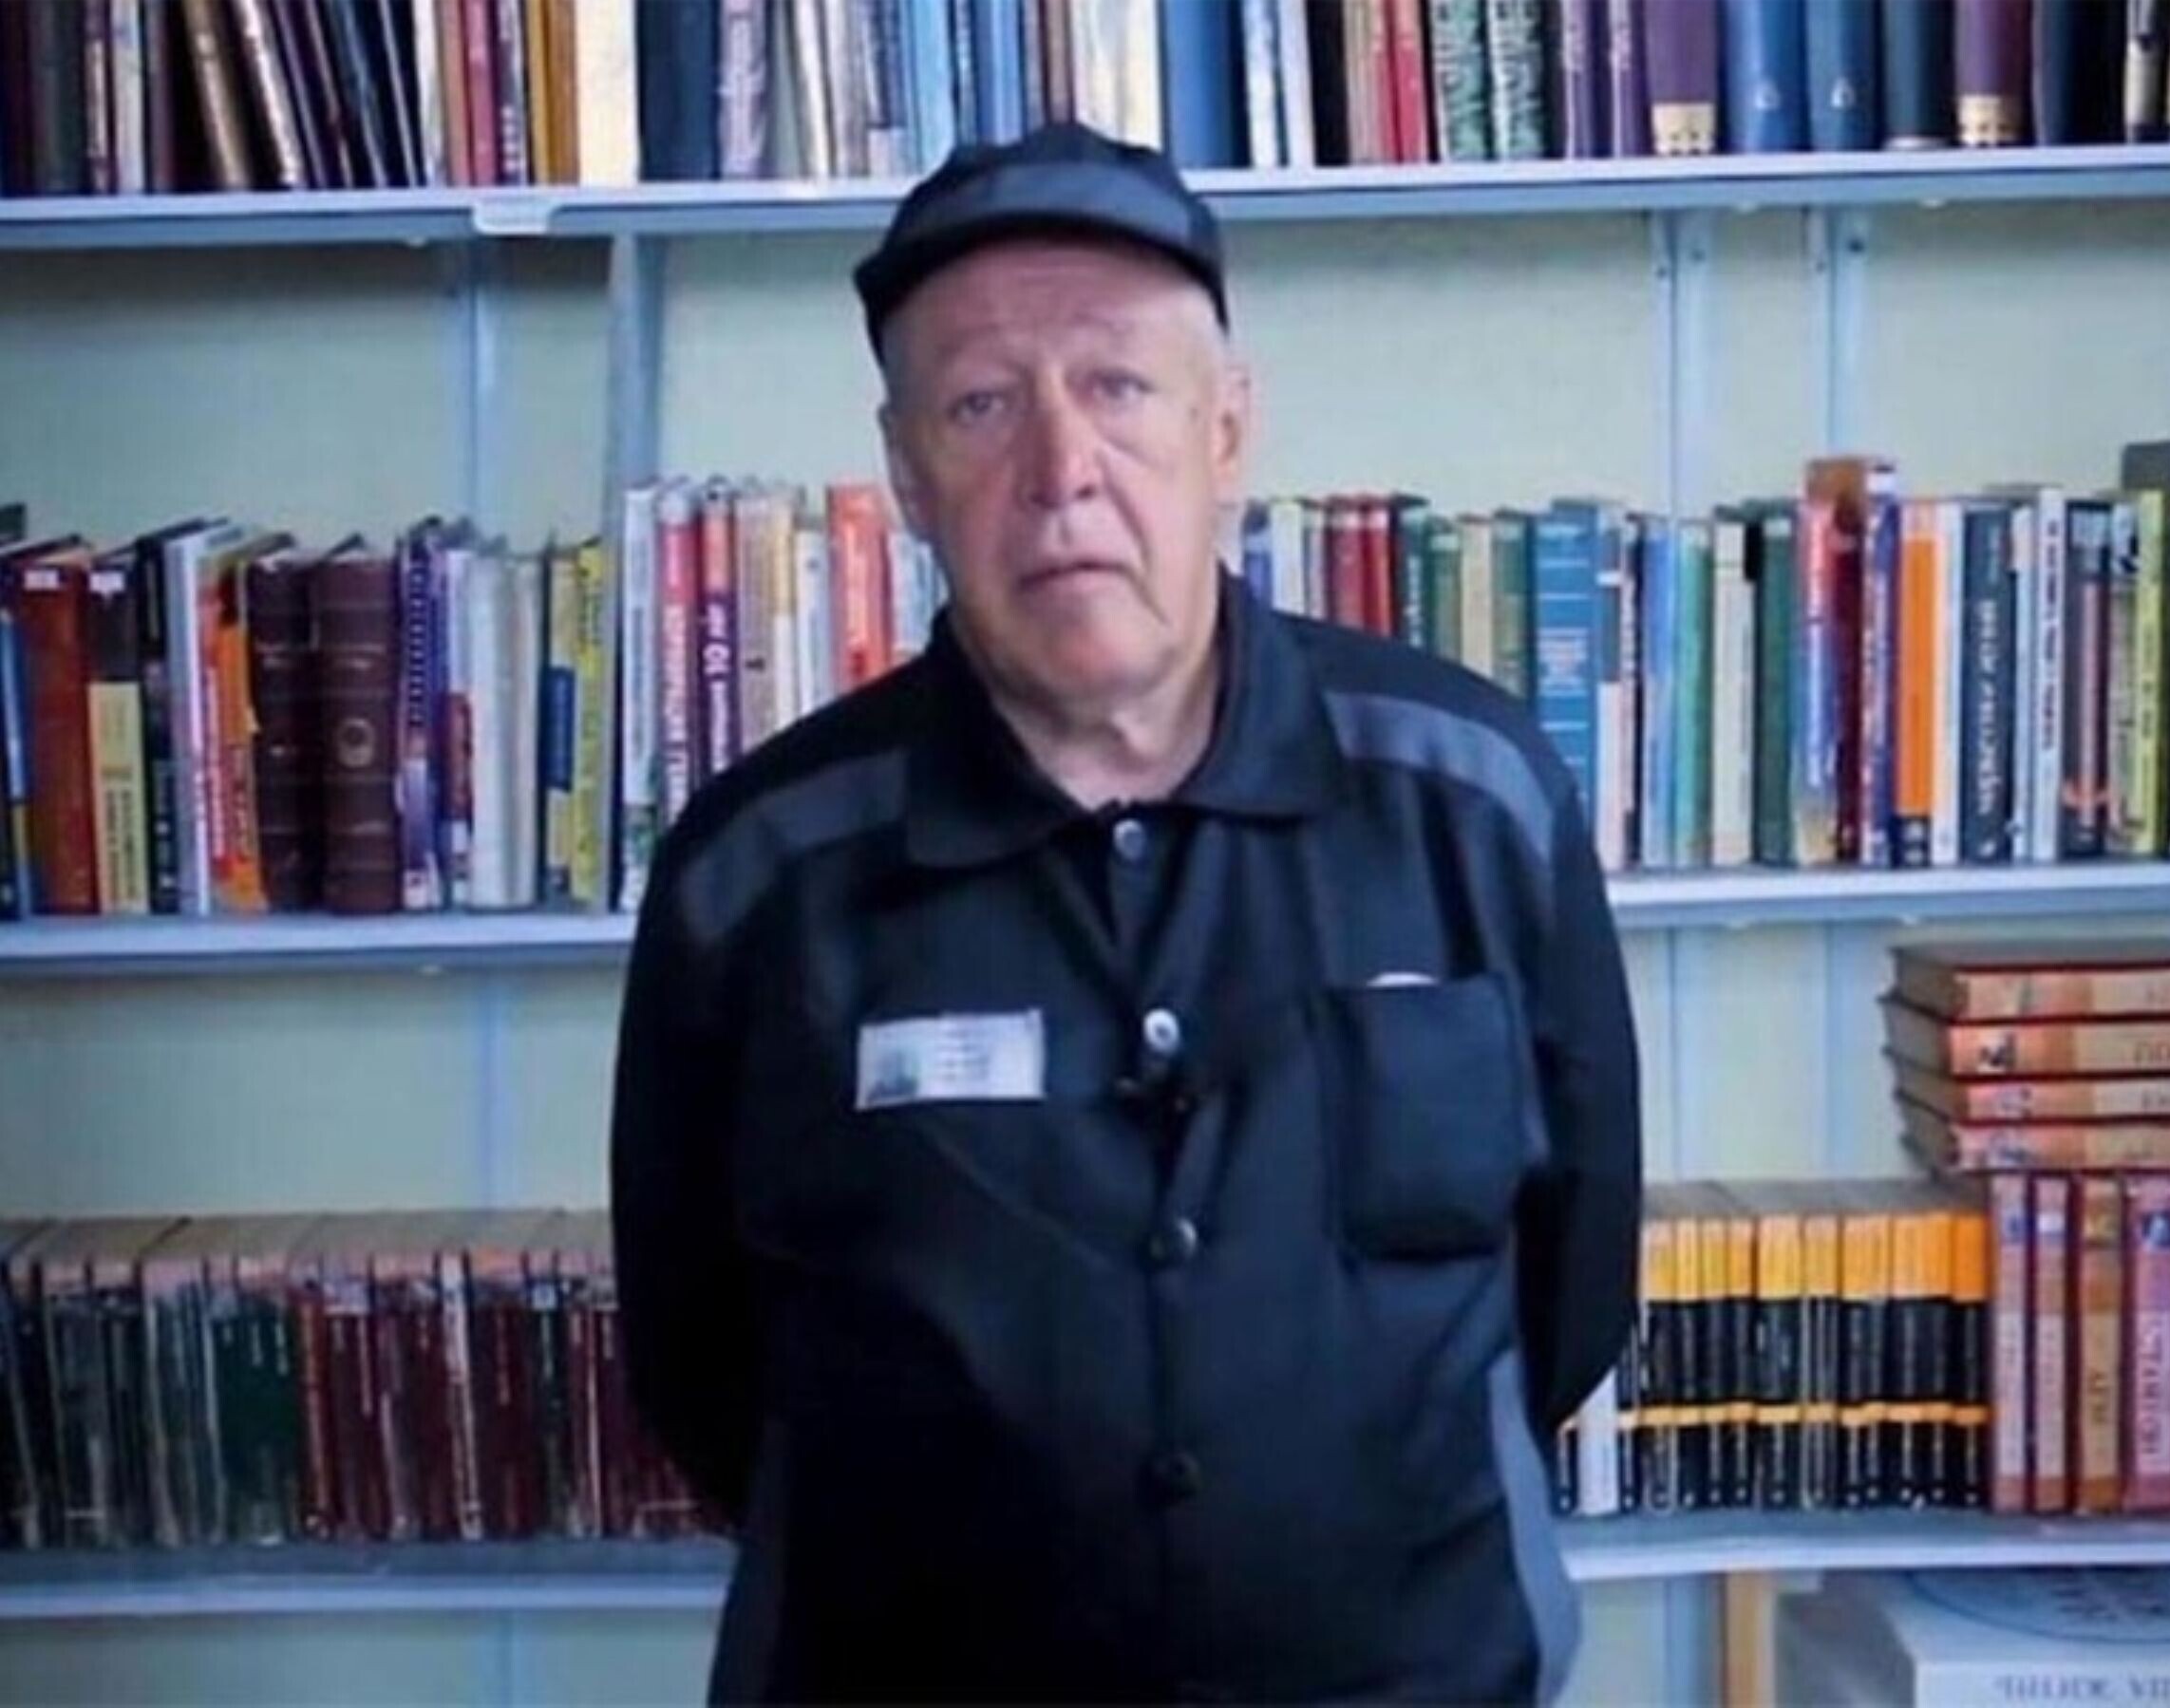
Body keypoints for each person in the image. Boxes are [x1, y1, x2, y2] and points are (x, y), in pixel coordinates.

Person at [609, 120, 1642, 1706]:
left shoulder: (1475, 801)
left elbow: (1573, 1288)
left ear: (1227, 429)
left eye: (1119, 386)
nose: (1062, 469)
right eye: (981, 404)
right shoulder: (758, 874)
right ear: (906, 474)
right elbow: (699, 1357)